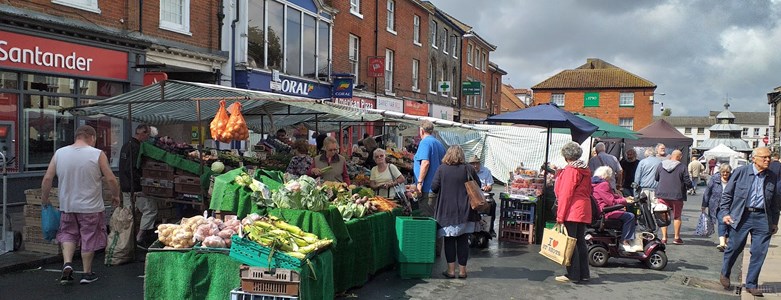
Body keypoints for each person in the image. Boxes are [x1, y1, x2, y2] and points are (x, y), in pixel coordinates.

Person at [41, 125, 121, 285]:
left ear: (77, 137)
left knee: (69, 234)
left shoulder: (60, 153)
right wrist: (116, 195)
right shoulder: (97, 154)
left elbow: (47, 179)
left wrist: (44, 198)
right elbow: (111, 179)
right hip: (91, 208)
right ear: (91, 137)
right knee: (89, 237)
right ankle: (87, 273)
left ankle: (68, 263)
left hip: (67, 206)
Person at [719, 147, 781, 297]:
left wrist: (774, 222)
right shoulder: (741, 172)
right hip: (742, 215)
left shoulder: (772, 176)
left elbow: (775, 201)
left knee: (759, 252)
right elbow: (727, 194)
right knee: (734, 248)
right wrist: (725, 213)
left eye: (769, 157)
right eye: (764, 157)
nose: (768, 160)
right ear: (754, 159)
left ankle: (751, 284)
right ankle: (725, 273)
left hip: (762, 217)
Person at [431, 145, 480, 279]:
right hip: (466, 210)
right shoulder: (468, 168)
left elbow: (434, 187)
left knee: (449, 240)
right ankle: (463, 271)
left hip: (447, 210)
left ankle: (451, 271)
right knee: (463, 239)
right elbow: (478, 185)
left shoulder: (442, 169)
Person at [553, 141, 592, 284]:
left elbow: (565, 194)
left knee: (571, 242)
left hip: (572, 209)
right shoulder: (584, 169)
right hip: (583, 208)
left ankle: (573, 274)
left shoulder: (571, 170)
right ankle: (584, 274)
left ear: (565, 156)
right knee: (580, 241)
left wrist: (560, 216)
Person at [119, 124, 157, 248]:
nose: (148, 138)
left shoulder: (125, 145)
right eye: (148, 135)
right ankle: (139, 237)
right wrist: (140, 183)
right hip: (135, 187)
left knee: (129, 214)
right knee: (150, 209)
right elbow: (132, 169)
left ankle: (125, 241)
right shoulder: (136, 147)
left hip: (125, 186)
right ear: (143, 133)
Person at [592, 166, 641, 252]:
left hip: (600, 210)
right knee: (630, 216)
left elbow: (611, 196)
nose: (611, 178)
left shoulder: (594, 183)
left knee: (624, 212)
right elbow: (611, 201)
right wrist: (625, 201)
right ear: (606, 175)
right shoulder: (604, 184)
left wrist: (624, 198)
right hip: (606, 211)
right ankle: (624, 241)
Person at [654, 150, 693, 245]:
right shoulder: (682, 167)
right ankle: (676, 238)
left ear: (671, 156)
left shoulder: (661, 165)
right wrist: (690, 186)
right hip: (677, 195)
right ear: (679, 157)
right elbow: (687, 181)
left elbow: (656, 178)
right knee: (677, 216)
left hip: (662, 194)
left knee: (663, 215)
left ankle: (664, 238)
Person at [413, 120, 446, 217]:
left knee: (427, 218)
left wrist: (419, 183)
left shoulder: (425, 142)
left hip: (428, 189)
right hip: (437, 187)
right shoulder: (439, 144)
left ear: (421, 131)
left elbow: (425, 163)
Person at [703, 164, 732, 251]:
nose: (725, 174)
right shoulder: (714, 179)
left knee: (729, 224)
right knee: (722, 221)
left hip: (730, 205)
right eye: (723, 172)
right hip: (717, 205)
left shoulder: (733, 180)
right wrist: (704, 204)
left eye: (727, 172)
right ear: (720, 172)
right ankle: (722, 242)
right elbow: (707, 192)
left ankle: (725, 241)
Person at [469, 155, 497, 237]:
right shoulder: (467, 171)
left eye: (477, 163)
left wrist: (488, 187)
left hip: (483, 195)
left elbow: (490, 185)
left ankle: (490, 228)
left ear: (479, 163)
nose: (475, 166)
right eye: (473, 164)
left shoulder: (486, 171)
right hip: (471, 196)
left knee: (493, 204)